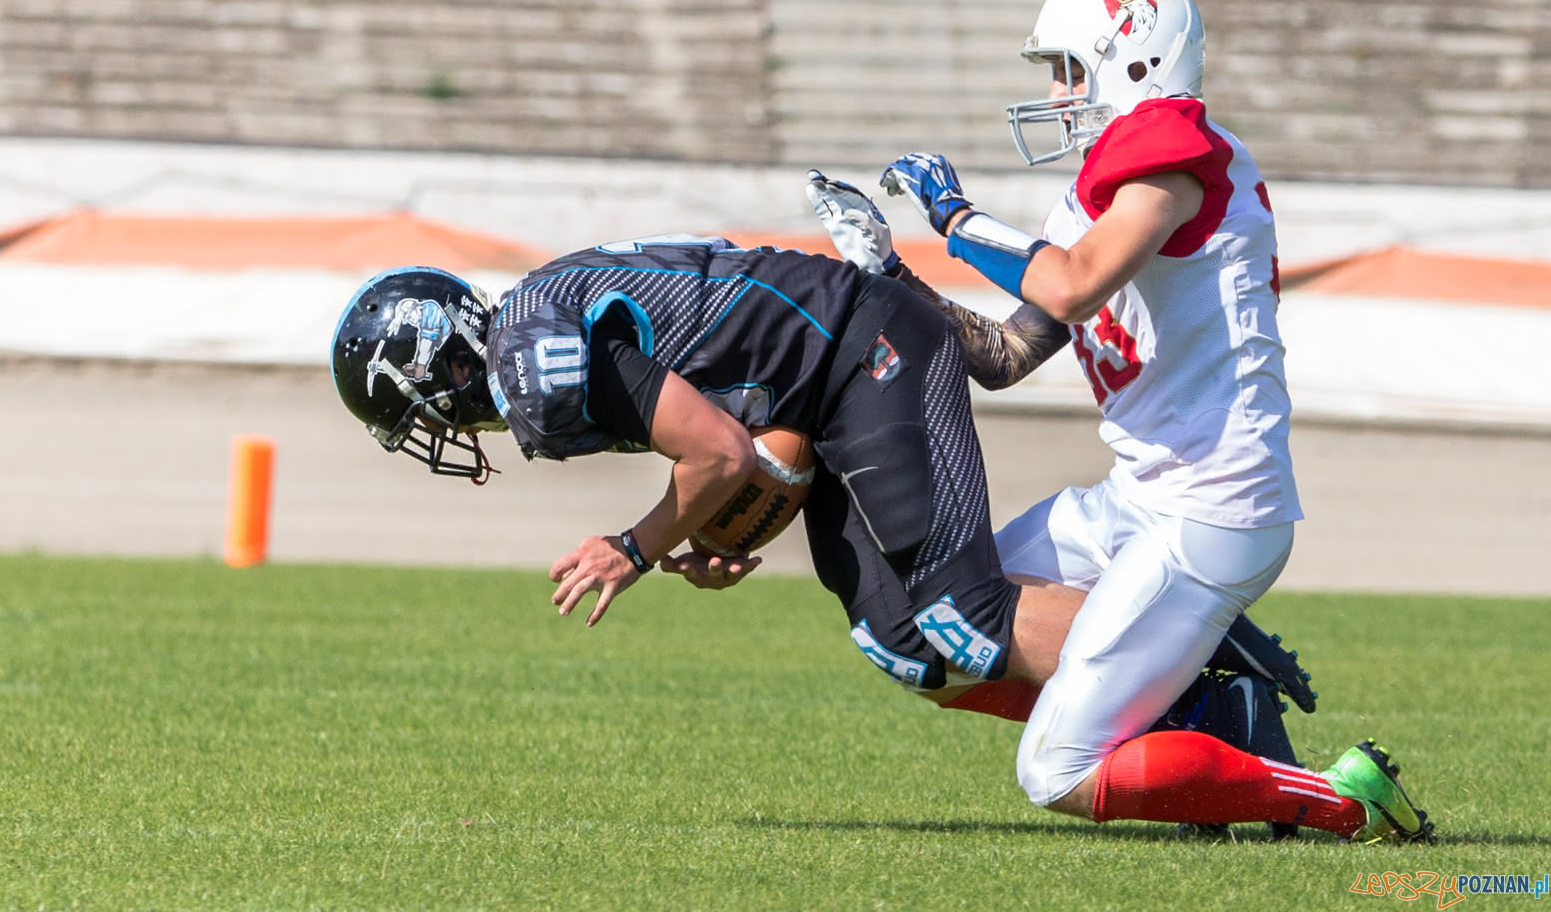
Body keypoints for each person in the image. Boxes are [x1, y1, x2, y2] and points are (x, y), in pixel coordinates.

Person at [808, 0, 1432, 842]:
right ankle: (1208, 712)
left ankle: (1339, 798)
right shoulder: (1110, 180)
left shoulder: (1177, 151)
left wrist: (953, 217)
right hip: (1136, 497)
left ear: (1133, 59)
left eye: (1070, 68)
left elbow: (1070, 286)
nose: (1061, 94)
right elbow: (1005, 353)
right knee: (930, 635)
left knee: (1055, 770)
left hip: (1210, 508)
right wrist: (891, 273)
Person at [329, 238, 1313, 767]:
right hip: (828, 373)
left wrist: (635, 545)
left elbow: (714, 447)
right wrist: (713, 522)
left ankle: (1196, 670)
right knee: (909, 643)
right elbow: (749, 436)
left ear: (428, 366)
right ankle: (1171, 699)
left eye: (407, 405)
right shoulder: (530, 332)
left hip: (863, 346)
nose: (430, 428)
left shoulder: (529, 375)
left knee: (959, 619)